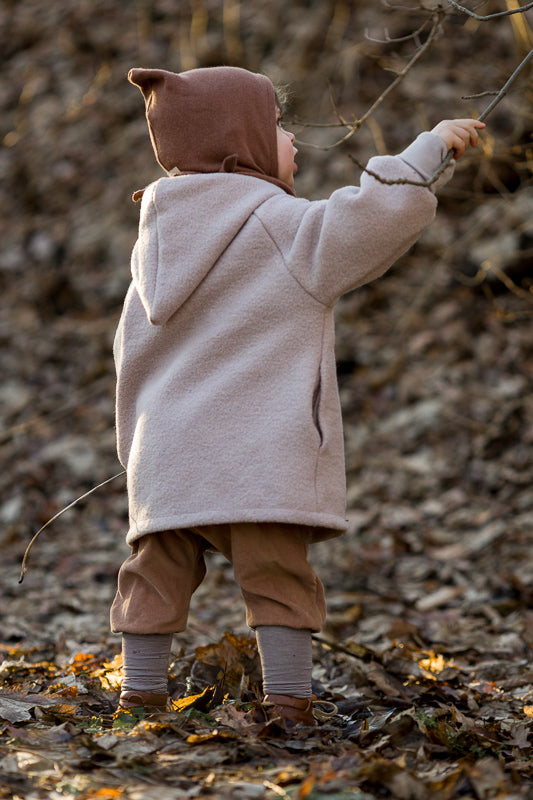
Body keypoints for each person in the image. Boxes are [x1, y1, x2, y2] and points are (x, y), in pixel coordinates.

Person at [110, 65, 485, 726]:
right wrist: (429, 150)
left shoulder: (154, 244)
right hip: (258, 448)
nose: (293, 142)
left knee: (154, 574)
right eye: (278, 128)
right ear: (240, 143)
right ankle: (287, 706)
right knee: (277, 574)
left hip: (167, 456)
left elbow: (129, 362)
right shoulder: (281, 228)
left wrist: (135, 458)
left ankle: (137, 697)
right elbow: (369, 218)